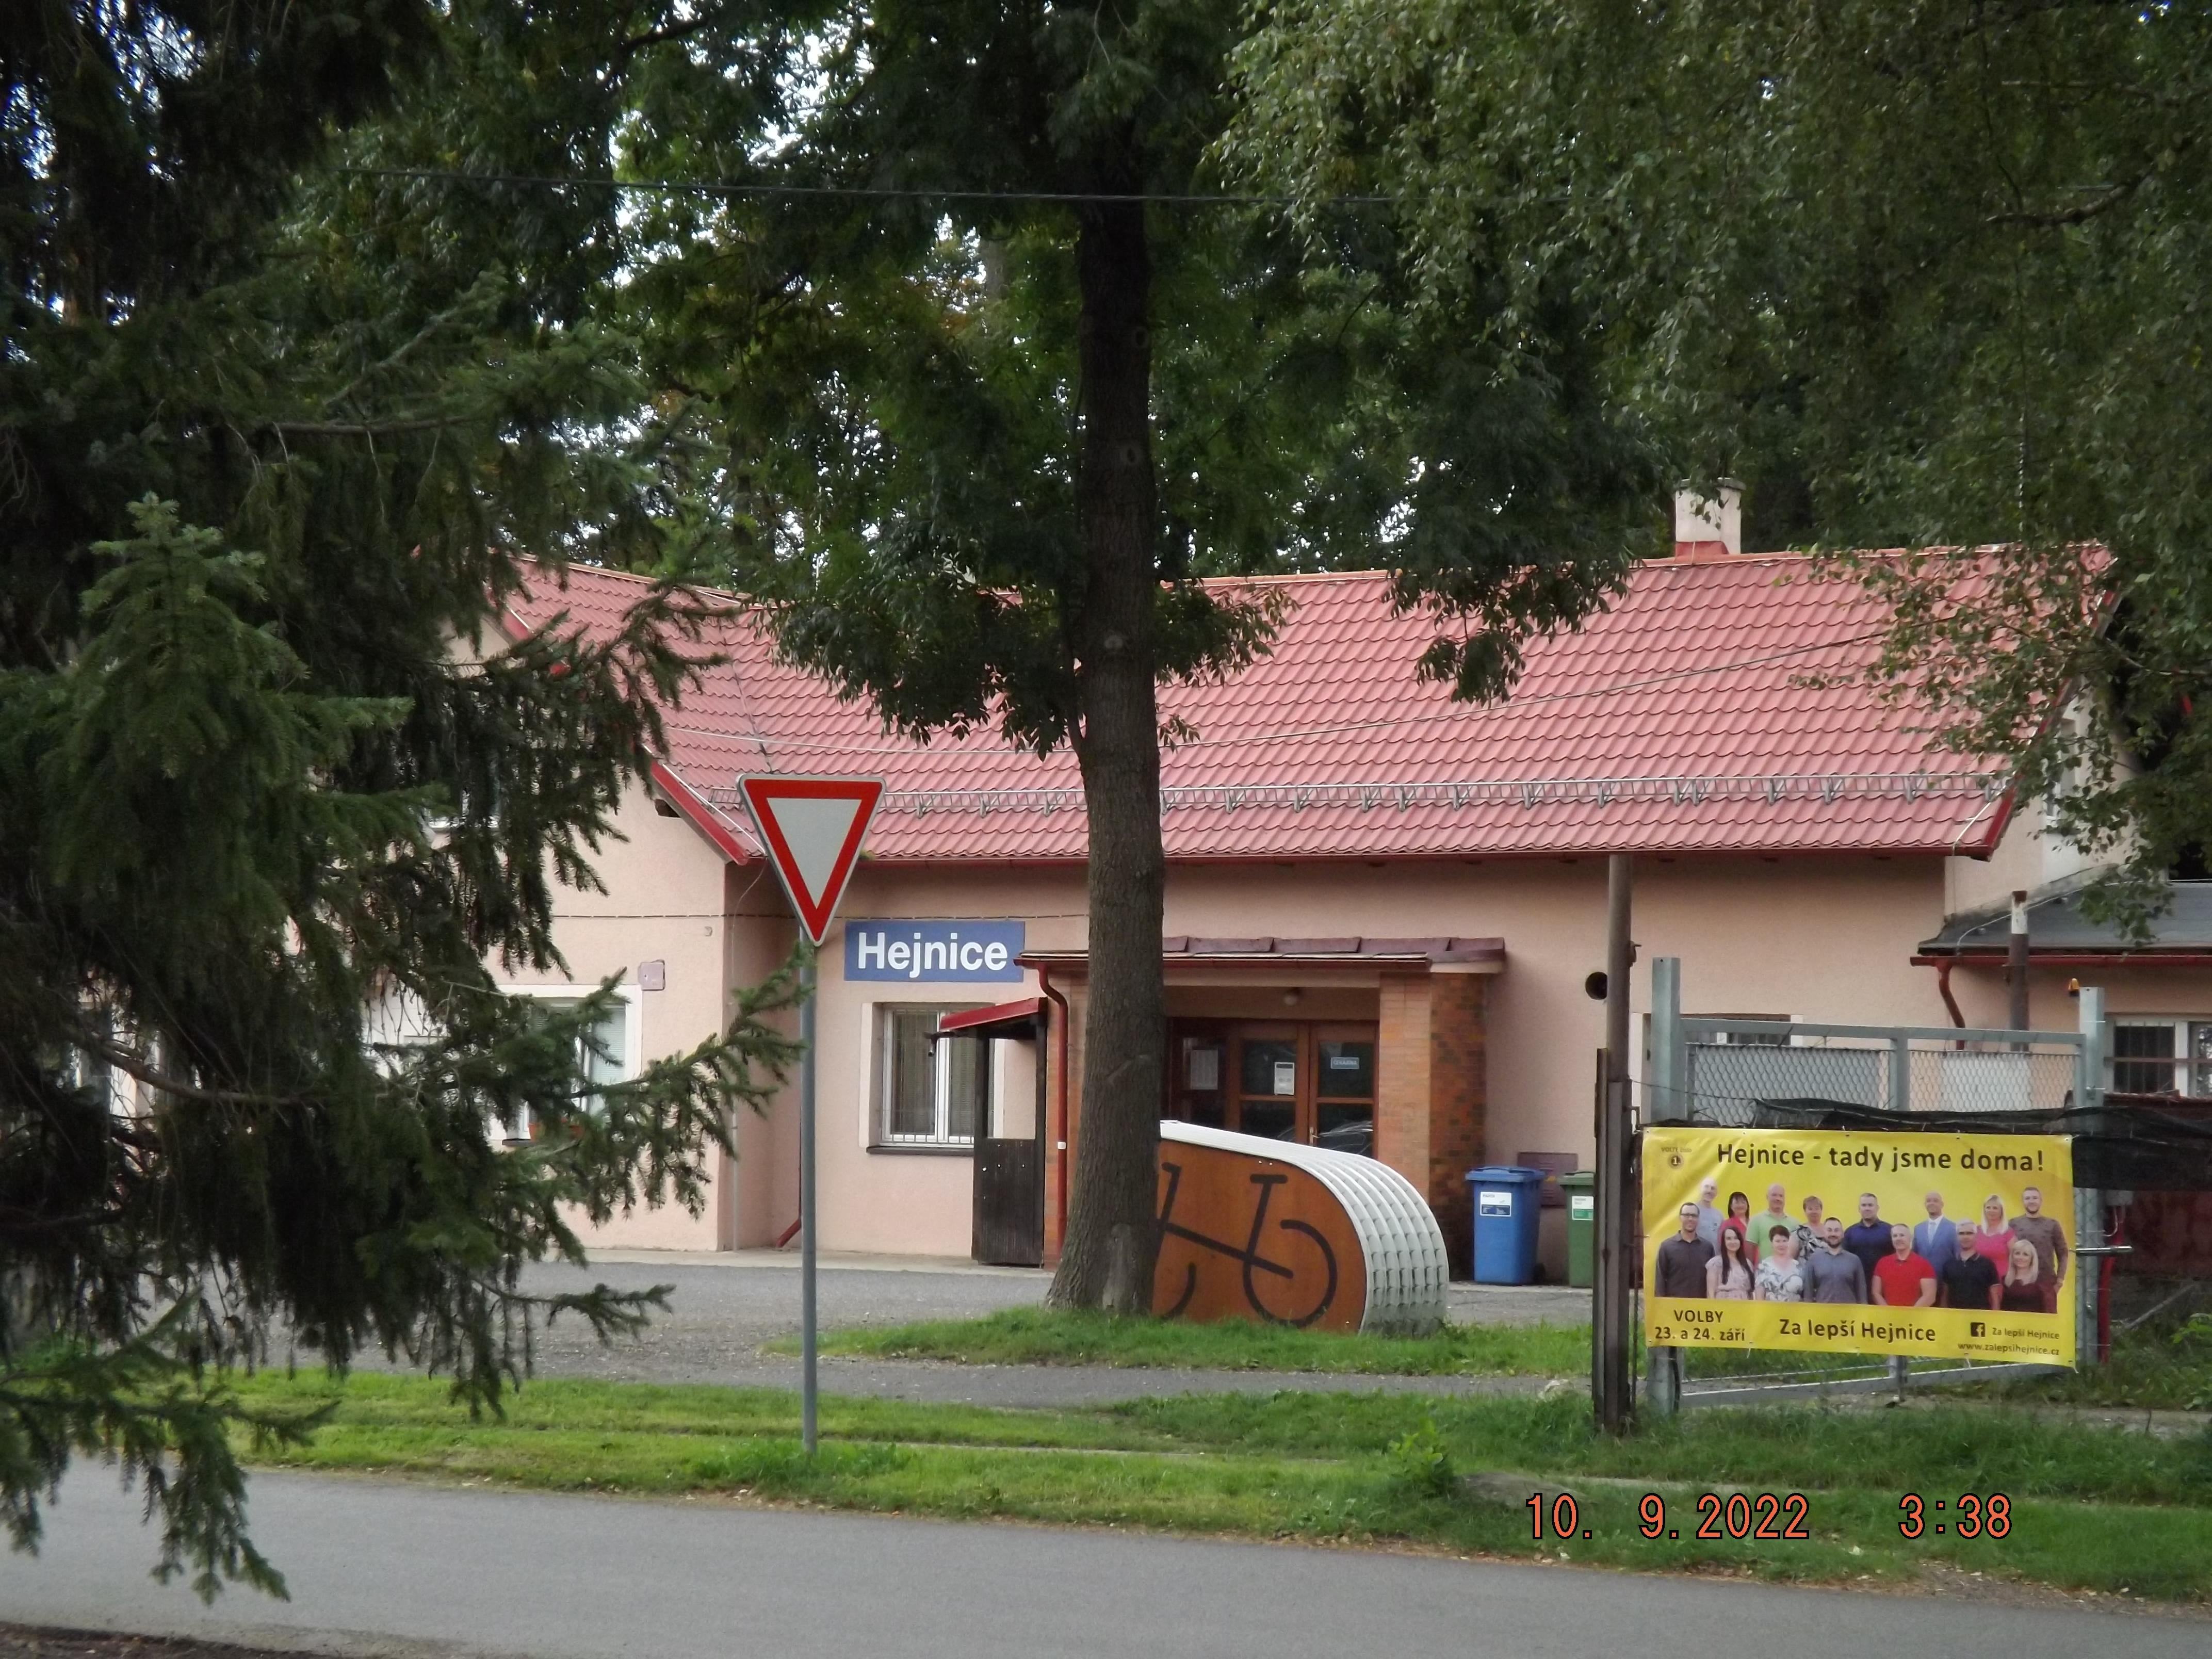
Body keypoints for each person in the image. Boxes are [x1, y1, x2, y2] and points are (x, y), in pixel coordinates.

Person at [2009, 1185, 2069, 1290]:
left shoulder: (2052, 1225)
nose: (2031, 1201)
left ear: (2041, 1201)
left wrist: (2060, 1280)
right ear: (2023, 1202)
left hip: (2046, 1281)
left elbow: (2063, 1253)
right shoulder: (2013, 1224)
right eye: (2027, 1198)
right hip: (2020, 1281)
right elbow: (2007, 1253)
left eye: (2035, 1198)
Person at [1656, 1201, 1716, 1298]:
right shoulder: (1667, 1247)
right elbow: (1660, 1280)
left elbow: (1713, 1279)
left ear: (1698, 1219)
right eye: (1687, 1215)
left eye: (1694, 1216)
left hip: (1701, 1305)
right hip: (1675, 1305)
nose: (1690, 1219)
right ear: (1680, 1218)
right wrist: (1662, 1304)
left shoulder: (1708, 1247)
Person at [1804, 1215, 1869, 1304]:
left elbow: (1862, 1294)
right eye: (1829, 1230)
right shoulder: (1814, 1259)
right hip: (1823, 1312)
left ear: (1842, 1234)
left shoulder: (1854, 1260)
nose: (1833, 1234)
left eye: (1837, 1230)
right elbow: (1808, 1294)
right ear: (1824, 1233)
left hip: (1849, 1312)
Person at [1939, 1223, 2003, 1312]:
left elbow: (1995, 1297)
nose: (1965, 1237)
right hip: (1954, 1316)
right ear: (1957, 1237)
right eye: (1962, 1234)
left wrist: (1995, 1317)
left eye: (1969, 1233)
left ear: (1976, 1237)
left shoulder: (1988, 1264)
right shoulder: (1949, 1264)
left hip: (1980, 1316)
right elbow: (1945, 1295)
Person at [1872, 1222, 1938, 1308]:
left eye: (1902, 1235)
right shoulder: (1882, 1263)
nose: (1898, 1239)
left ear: (1911, 1238)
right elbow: (1876, 1293)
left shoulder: (1924, 1264)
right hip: (1887, 1315)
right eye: (1895, 1236)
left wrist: (1909, 1314)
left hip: (1915, 1315)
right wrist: (1887, 1311)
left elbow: (1930, 1296)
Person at [1842, 1192, 1893, 1290]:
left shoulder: (1889, 1230)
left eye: (1870, 1205)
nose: (1867, 1208)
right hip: (1857, 1284)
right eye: (1864, 1205)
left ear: (1877, 1208)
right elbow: (1845, 1260)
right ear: (1859, 1209)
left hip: (1884, 1284)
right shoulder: (1850, 1232)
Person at [1999, 1235, 2056, 1314]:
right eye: (2017, 1253)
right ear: (2012, 1256)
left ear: (2032, 1259)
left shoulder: (2042, 1280)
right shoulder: (2006, 1280)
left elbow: (2050, 1309)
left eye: (2025, 1254)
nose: (2021, 1257)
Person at [1912, 1191, 1960, 1279]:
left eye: (1935, 1201)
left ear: (1942, 1204)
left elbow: (1957, 1255)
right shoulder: (1918, 1229)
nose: (1932, 1203)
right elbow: (1915, 1255)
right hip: (1923, 1280)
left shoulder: (1954, 1228)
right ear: (1925, 1204)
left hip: (1946, 1279)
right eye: (1929, 1201)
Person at [1706, 1221, 1755, 1300]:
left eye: (1736, 1238)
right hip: (1723, 1304)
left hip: (1744, 1304)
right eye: (1729, 1239)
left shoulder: (1748, 1264)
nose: (1733, 1242)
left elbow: (1751, 1292)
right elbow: (1710, 1292)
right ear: (1724, 1242)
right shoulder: (1716, 1263)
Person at [1755, 1225, 1805, 1303]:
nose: (1781, 1245)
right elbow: (1759, 1297)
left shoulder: (1799, 1267)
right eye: (1778, 1241)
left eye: (1784, 1241)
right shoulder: (1764, 1266)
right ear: (1772, 1243)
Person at [1973, 1196, 2014, 1264]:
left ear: (2002, 1211)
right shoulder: (1977, 1231)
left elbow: (2014, 1257)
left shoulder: (2008, 1232)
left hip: (2002, 1271)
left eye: (1995, 1208)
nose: (1991, 1211)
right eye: (1988, 1208)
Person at [1753, 1182, 1794, 1250]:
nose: (1778, 1199)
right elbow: (1750, 1249)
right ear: (1767, 1197)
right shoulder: (1756, 1221)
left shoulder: (1795, 1223)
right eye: (1774, 1195)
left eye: (1781, 1196)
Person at [1725, 1190, 1757, 1263]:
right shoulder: (1727, 1224)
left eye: (1743, 1202)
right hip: (1737, 1262)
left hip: (1756, 1262)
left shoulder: (1754, 1222)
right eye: (1737, 1203)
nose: (1741, 1205)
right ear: (1731, 1206)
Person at [1694, 1178, 1725, 1249]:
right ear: (1700, 1189)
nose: (1709, 1191)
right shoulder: (1692, 1210)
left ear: (1716, 1193)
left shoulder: (1719, 1215)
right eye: (1706, 1187)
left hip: (1716, 1255)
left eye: (1713, 1188)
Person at [1795, 1195, 1827, 1260]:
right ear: (1805, 1211)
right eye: (1810, 1209)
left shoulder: (1829, 1230)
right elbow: (1792, 1256)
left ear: (1821, 1210)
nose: (1814, 1212)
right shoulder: (1799, 1232)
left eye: (1817, 1209)